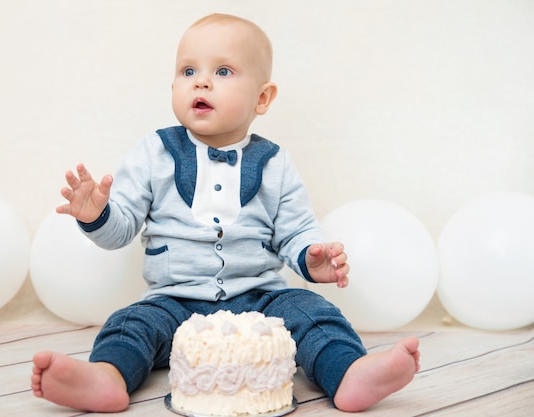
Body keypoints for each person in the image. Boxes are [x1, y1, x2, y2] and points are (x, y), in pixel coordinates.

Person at [31, 13, 420, 413]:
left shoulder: (275, 163)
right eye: (188, 71)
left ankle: (348, 373)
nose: (201, 81)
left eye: (222, 70)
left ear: (262, 98)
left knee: (313, 314)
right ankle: (107, 377)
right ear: (173, 86)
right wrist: (97, 214)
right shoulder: (154, 153)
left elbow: (296, 230)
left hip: (262, 300)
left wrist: (310, 256)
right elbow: (121, 229)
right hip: (174, 300)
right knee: (131, 324)